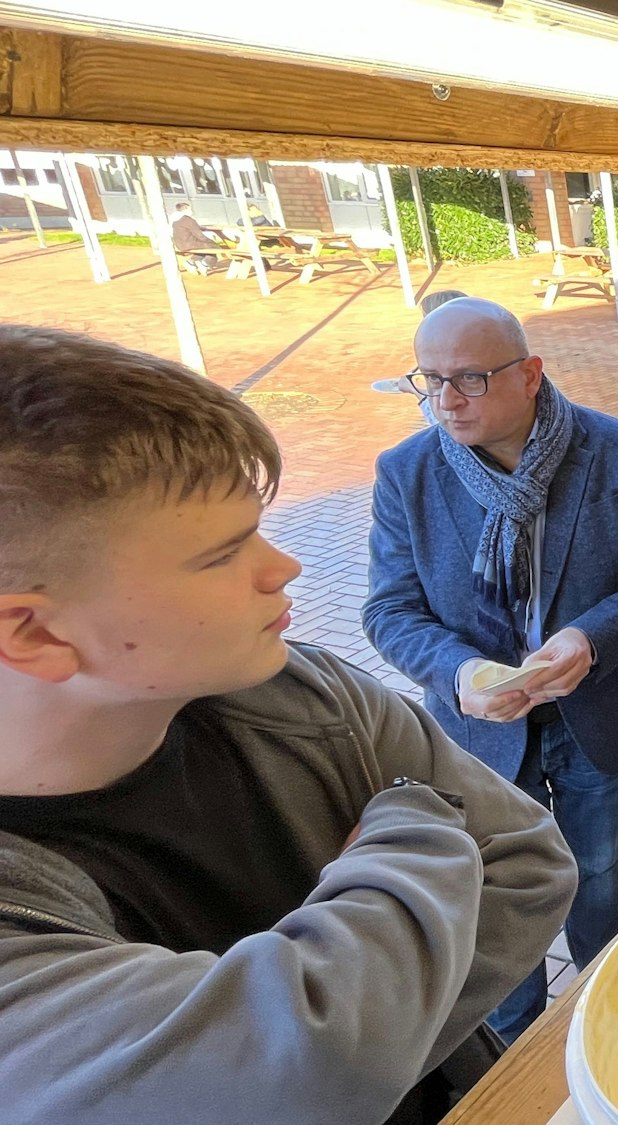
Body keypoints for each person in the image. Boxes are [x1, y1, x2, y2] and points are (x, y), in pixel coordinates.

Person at [0, 325, 577, 1125]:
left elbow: (531, 863)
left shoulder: (302, 691)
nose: (283, 567)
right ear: (33, 632)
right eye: (220, 554)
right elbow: (315, 1062)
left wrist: (356, 1033)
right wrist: (415, 818)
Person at [363, 298, 618, 1043]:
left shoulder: (617, 451)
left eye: (470, 379)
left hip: (594, 711)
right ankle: (515, 1046)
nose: (446, 400)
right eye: (430, 380)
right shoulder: (406, 475)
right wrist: (460, 671)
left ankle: (609, 1008)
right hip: (480, 733)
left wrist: (590, 636)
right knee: (503, 895)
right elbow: (389, 611)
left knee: (595, 870)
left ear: (531, 375)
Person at [169, 201, 223, 273]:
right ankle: (205, 264)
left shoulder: (175, 219)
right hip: (189, 243)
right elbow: (199, 235)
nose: (191, 211)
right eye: (190, 209)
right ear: (185, 209)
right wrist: (211, 241)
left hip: (179, 244)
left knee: (205, 249)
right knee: (215, 247)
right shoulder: (188, 219)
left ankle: (192, 262)